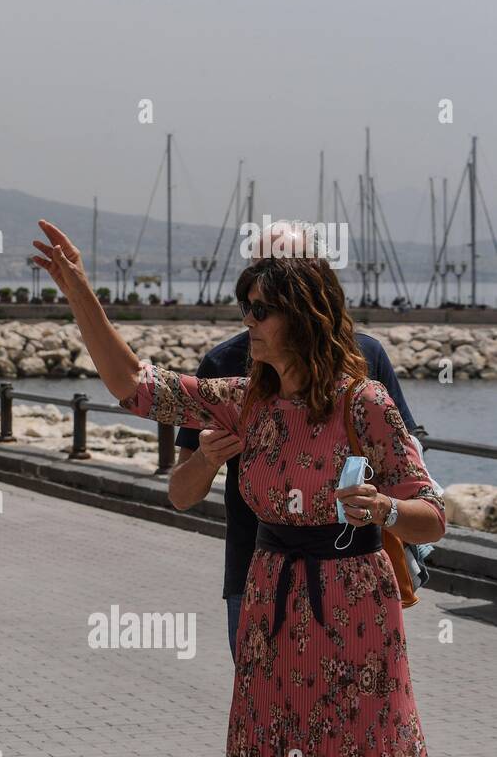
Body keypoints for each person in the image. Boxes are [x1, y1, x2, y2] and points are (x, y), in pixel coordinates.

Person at [31, 218, 444, 757]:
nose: (246, 321)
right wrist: (78, 292)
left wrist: (383, 508)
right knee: (272, 745)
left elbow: (433, 515)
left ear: (300, 317)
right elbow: (133, 386)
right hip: (269, 597)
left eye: (259, 310)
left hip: (355, 604)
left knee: (363, 753)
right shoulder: (242, 400)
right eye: (245, 307)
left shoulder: (365, 401)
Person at [168, 225, 417, 663]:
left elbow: (410, 466)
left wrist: (383, 504)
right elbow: (181, 495)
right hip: (255, 572)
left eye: (285, 271)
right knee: (267, 716)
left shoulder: (367, 357)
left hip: (353, 575)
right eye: (258, 275)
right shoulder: (223, 363)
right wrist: (207, 458)